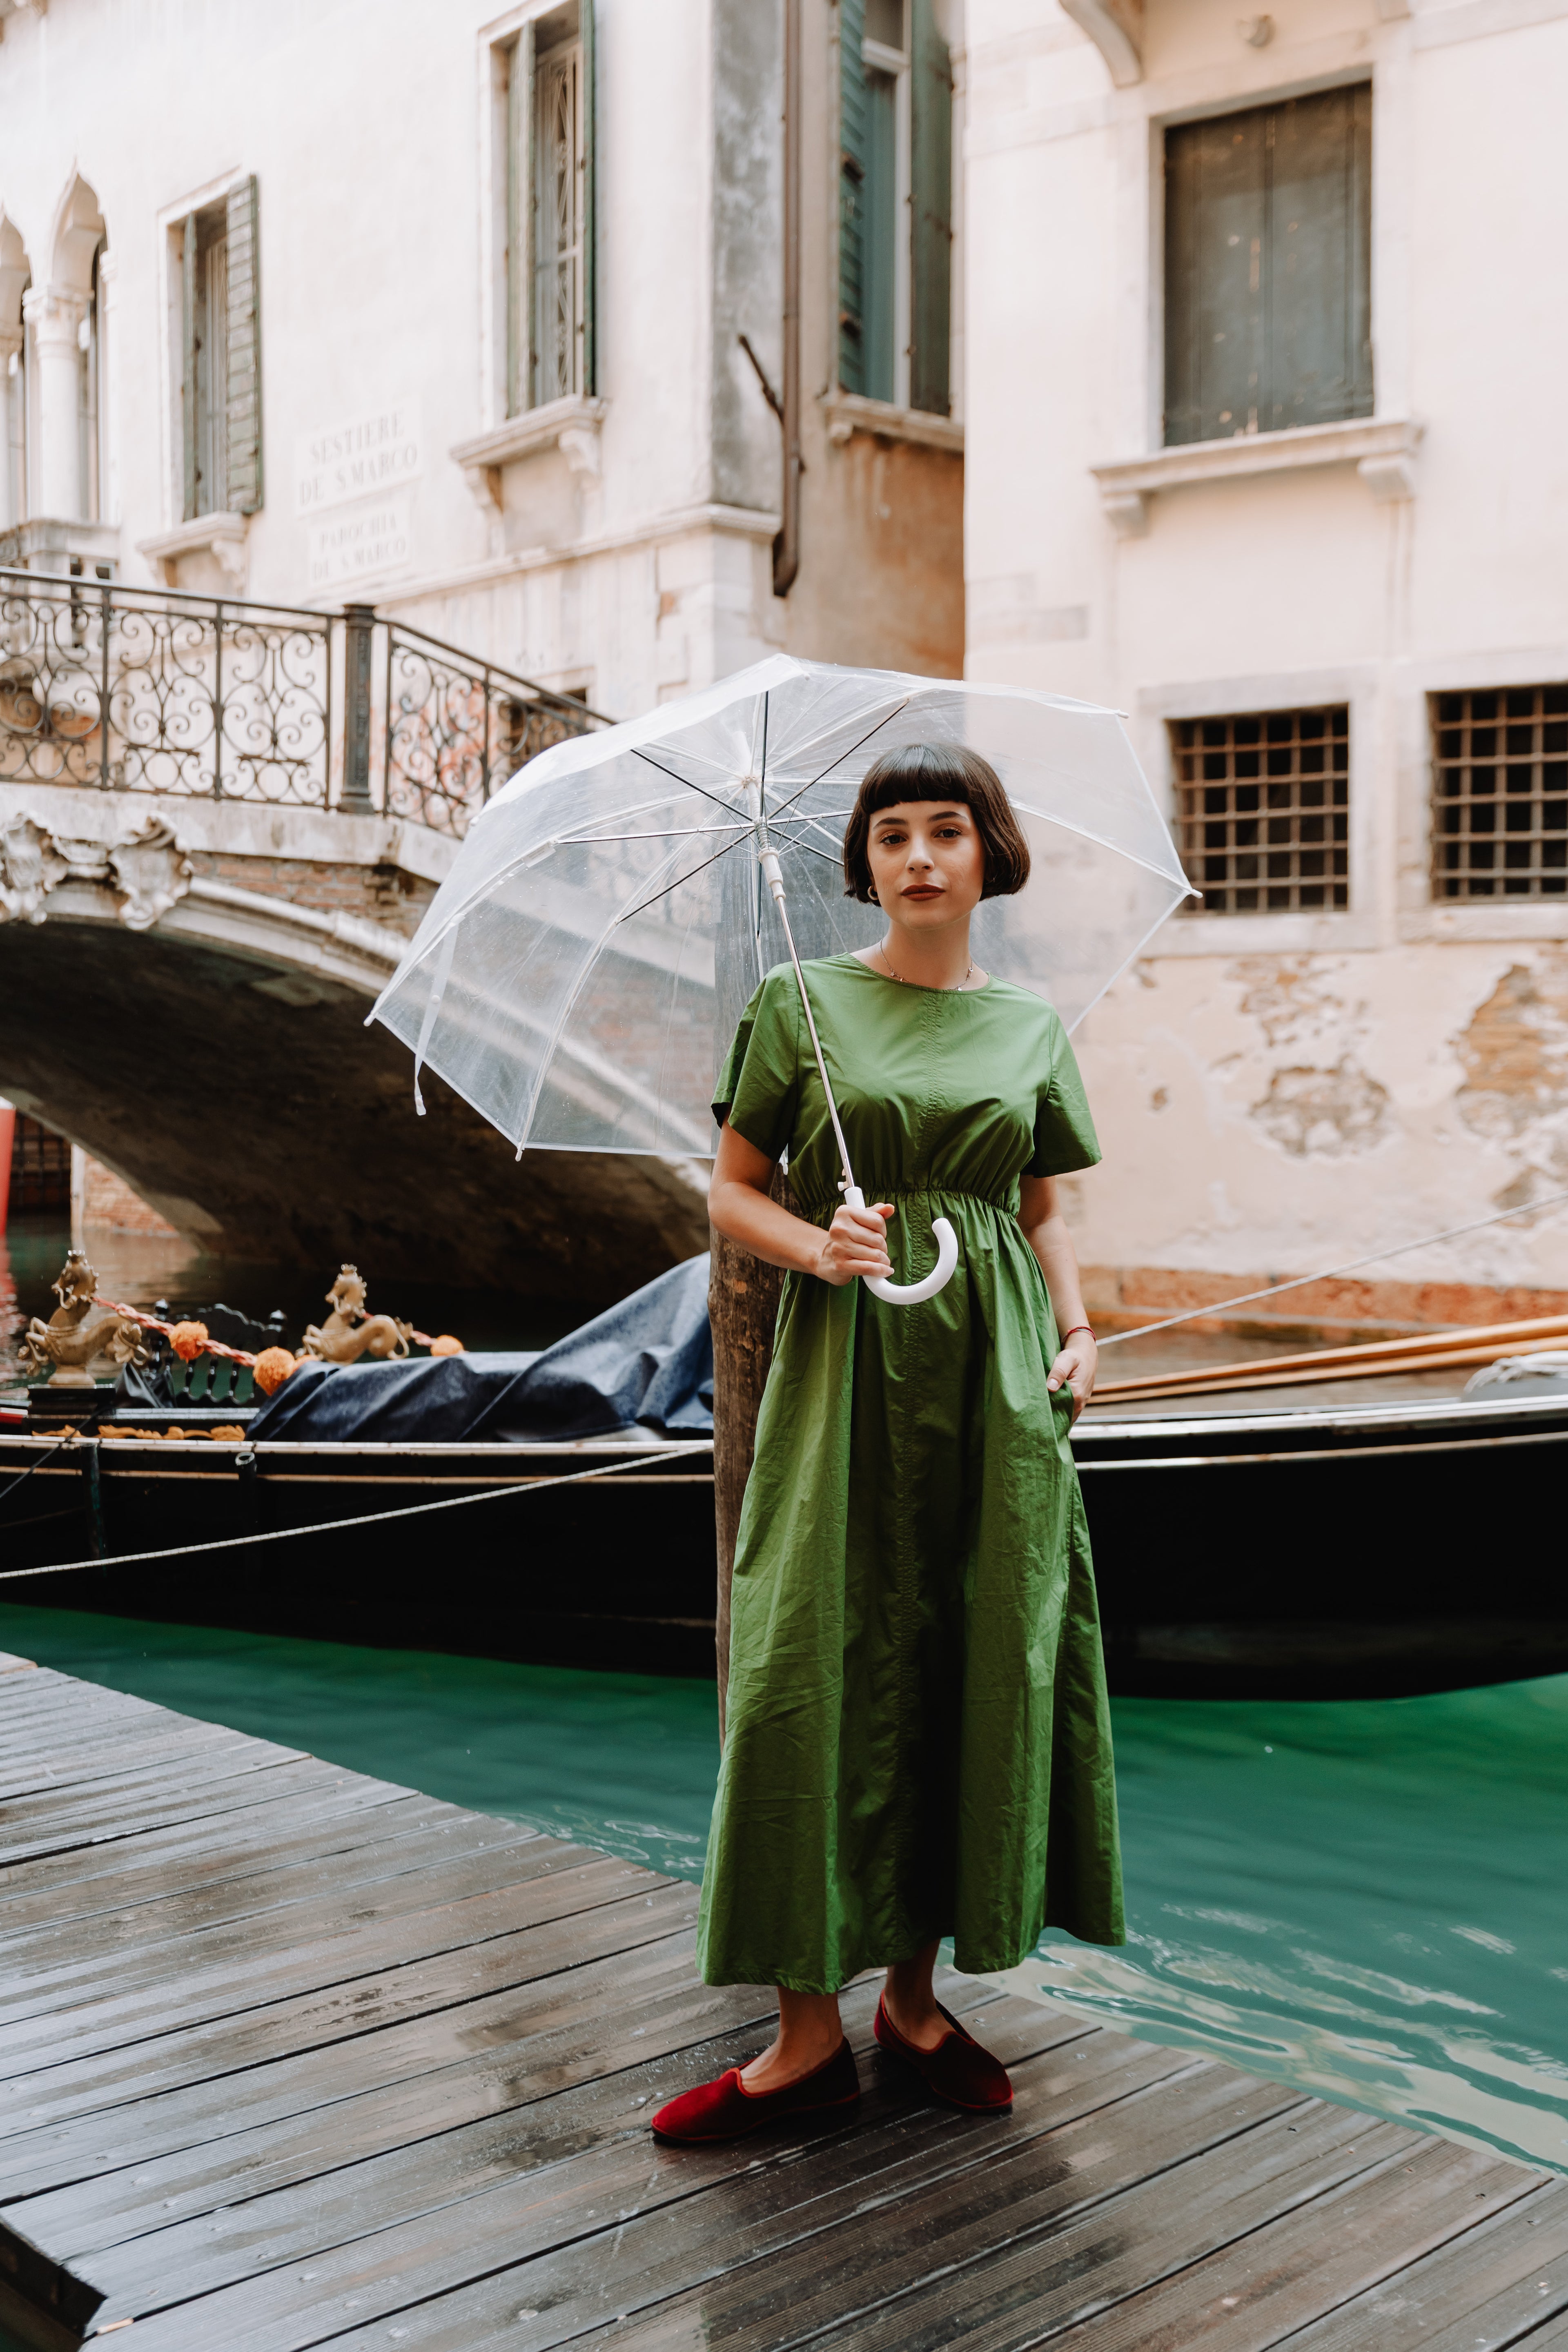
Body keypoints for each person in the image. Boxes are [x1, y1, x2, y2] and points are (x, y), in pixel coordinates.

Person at [650, 741, 1125, 2145]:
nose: (920, 857)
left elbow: (1041, 1217)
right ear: (863, 865)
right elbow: (730, 1193)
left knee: (966, 1652)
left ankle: (914, 2006)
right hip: (846, 1368)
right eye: (894, 835)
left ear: (990, 854)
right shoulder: (798, 1006)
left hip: (994, 1380)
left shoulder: (1030, 1025)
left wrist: (1081, 1333)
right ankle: (805, 2037)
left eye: (948, 831)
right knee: (810, 1652)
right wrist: (823, 1243)